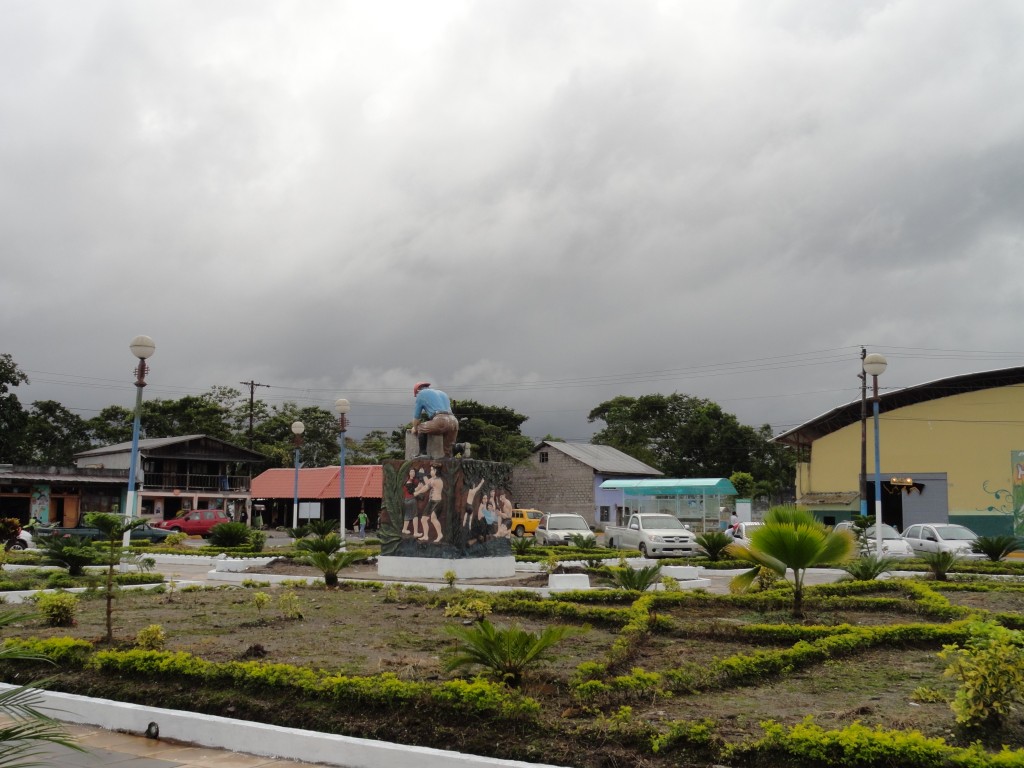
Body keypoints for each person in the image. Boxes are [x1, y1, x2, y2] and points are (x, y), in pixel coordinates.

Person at [412, 382, 459, 458]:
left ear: (417, 390)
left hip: (441, 419)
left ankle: (422, 454)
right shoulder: (442, 393)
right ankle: (459, 448)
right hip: (454, 421)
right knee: (448, 453)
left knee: (420, 428)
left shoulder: (421, 394)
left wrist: (415, 427)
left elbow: (416, 418)